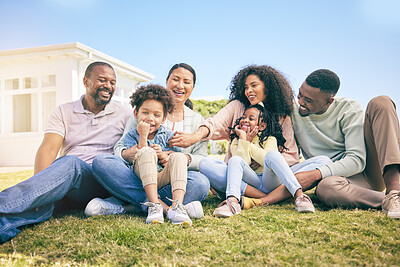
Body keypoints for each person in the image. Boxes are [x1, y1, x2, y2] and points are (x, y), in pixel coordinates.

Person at [0, 61, 131, 243]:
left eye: (112, 82)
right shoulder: (64, 111)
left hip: (101, 181)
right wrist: (41, 190)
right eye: (102, 80)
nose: (108, 86)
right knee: (46, 205)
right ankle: (3, 227)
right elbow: (48, 148)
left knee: (71, 163)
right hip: (69, 184)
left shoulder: (125, 114)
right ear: (86, 81)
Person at [85, 63, 209, 219]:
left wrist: (180, 158)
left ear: (193, 87)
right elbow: (120, 147)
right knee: (102, 161)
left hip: (168, 180)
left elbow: (202, 159)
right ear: (167, 81)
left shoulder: (197, 120)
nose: (180, 85)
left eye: (186, 82)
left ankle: (130, 206)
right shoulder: (140, 111)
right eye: (176, 79)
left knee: (201, 182)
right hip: (135, 176)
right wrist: (126, 153)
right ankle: (165, 207)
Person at [169, 65, 304, 208]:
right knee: (207, 164)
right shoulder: (237, 107)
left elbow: (291, 157)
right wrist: (195, 136)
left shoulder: (282, 116)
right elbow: (214, 124)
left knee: (319, 162)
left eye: (254, 85)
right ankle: (267, 198)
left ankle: (266, 196)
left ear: (268, 87)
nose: (248, 91)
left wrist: (260, 161)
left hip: (270, 178)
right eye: (245, 87)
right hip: (241, 176)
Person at [290, 69, 400, 218]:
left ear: (329, 101)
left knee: (381, 102)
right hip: (336, 181)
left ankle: (394, 192)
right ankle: (386, 201)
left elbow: (356, 160)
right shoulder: (293, 111)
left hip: (367, 173)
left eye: (308, 100)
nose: (301, 102)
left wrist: (315, 174)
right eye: (300, 95)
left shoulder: (348, 109)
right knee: (325, 189)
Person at [209, 104, 332, 217]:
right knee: (228, 161)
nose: (245, 120)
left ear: (262, 126)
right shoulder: (237, 141)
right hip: (252, 182)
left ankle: (299, 196)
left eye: (251, 118)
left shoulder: (270, 139)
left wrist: (248, 144)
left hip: (272, 181)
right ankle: (233, 202)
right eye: (244, 117)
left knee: (323, 160)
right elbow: (243, 163)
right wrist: (243, 139)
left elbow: (266, 159)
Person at [123, 84, 193, 225]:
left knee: (179, 157)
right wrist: (142, 136)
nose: (150, 118)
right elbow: (134, 156)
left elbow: (176, 162)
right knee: (146, 151)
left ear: (163, 119)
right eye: (145, 113)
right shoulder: (131, 135)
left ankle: (177, 206)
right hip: (140, 177)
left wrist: (163, 156)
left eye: (156, 115)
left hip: (161, 177)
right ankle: (155, 205)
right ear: (136, 113)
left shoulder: (168, 135)